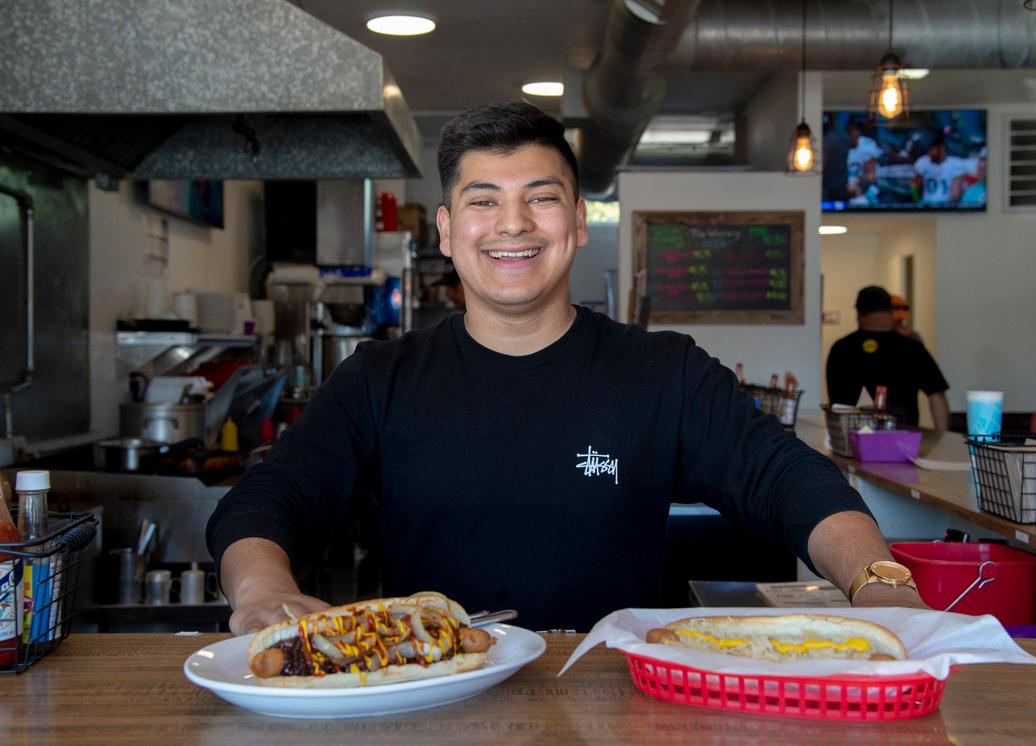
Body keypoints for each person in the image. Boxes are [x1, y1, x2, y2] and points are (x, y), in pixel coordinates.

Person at [207, 101, 926, 636]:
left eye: (540, 199)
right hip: (432, 702)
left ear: (578, 222)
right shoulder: (380, 378)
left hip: (618, 704)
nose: (513, 224)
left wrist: (879, 579)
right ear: (449, 231)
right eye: (484, 201)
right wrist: (262, 587)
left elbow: (788, 478)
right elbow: (272, 494)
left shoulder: (661, 372)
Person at [827, 285, 950, 430]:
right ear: (890, 312)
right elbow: (937, 396)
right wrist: (942, 438)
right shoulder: (911, 348)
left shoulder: (841, 348)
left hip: (851, 439)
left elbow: (835, 402)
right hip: (901, 441)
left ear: (858, 314)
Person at [910, 134, 974, 206]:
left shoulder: (956, 164)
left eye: (932, 149)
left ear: (942, 149)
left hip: (946, 205)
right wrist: (918, 204)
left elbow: (955, 194)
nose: (929, 152)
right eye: (928, 149)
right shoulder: (922, 162)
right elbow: (915, 187)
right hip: (926, 204)